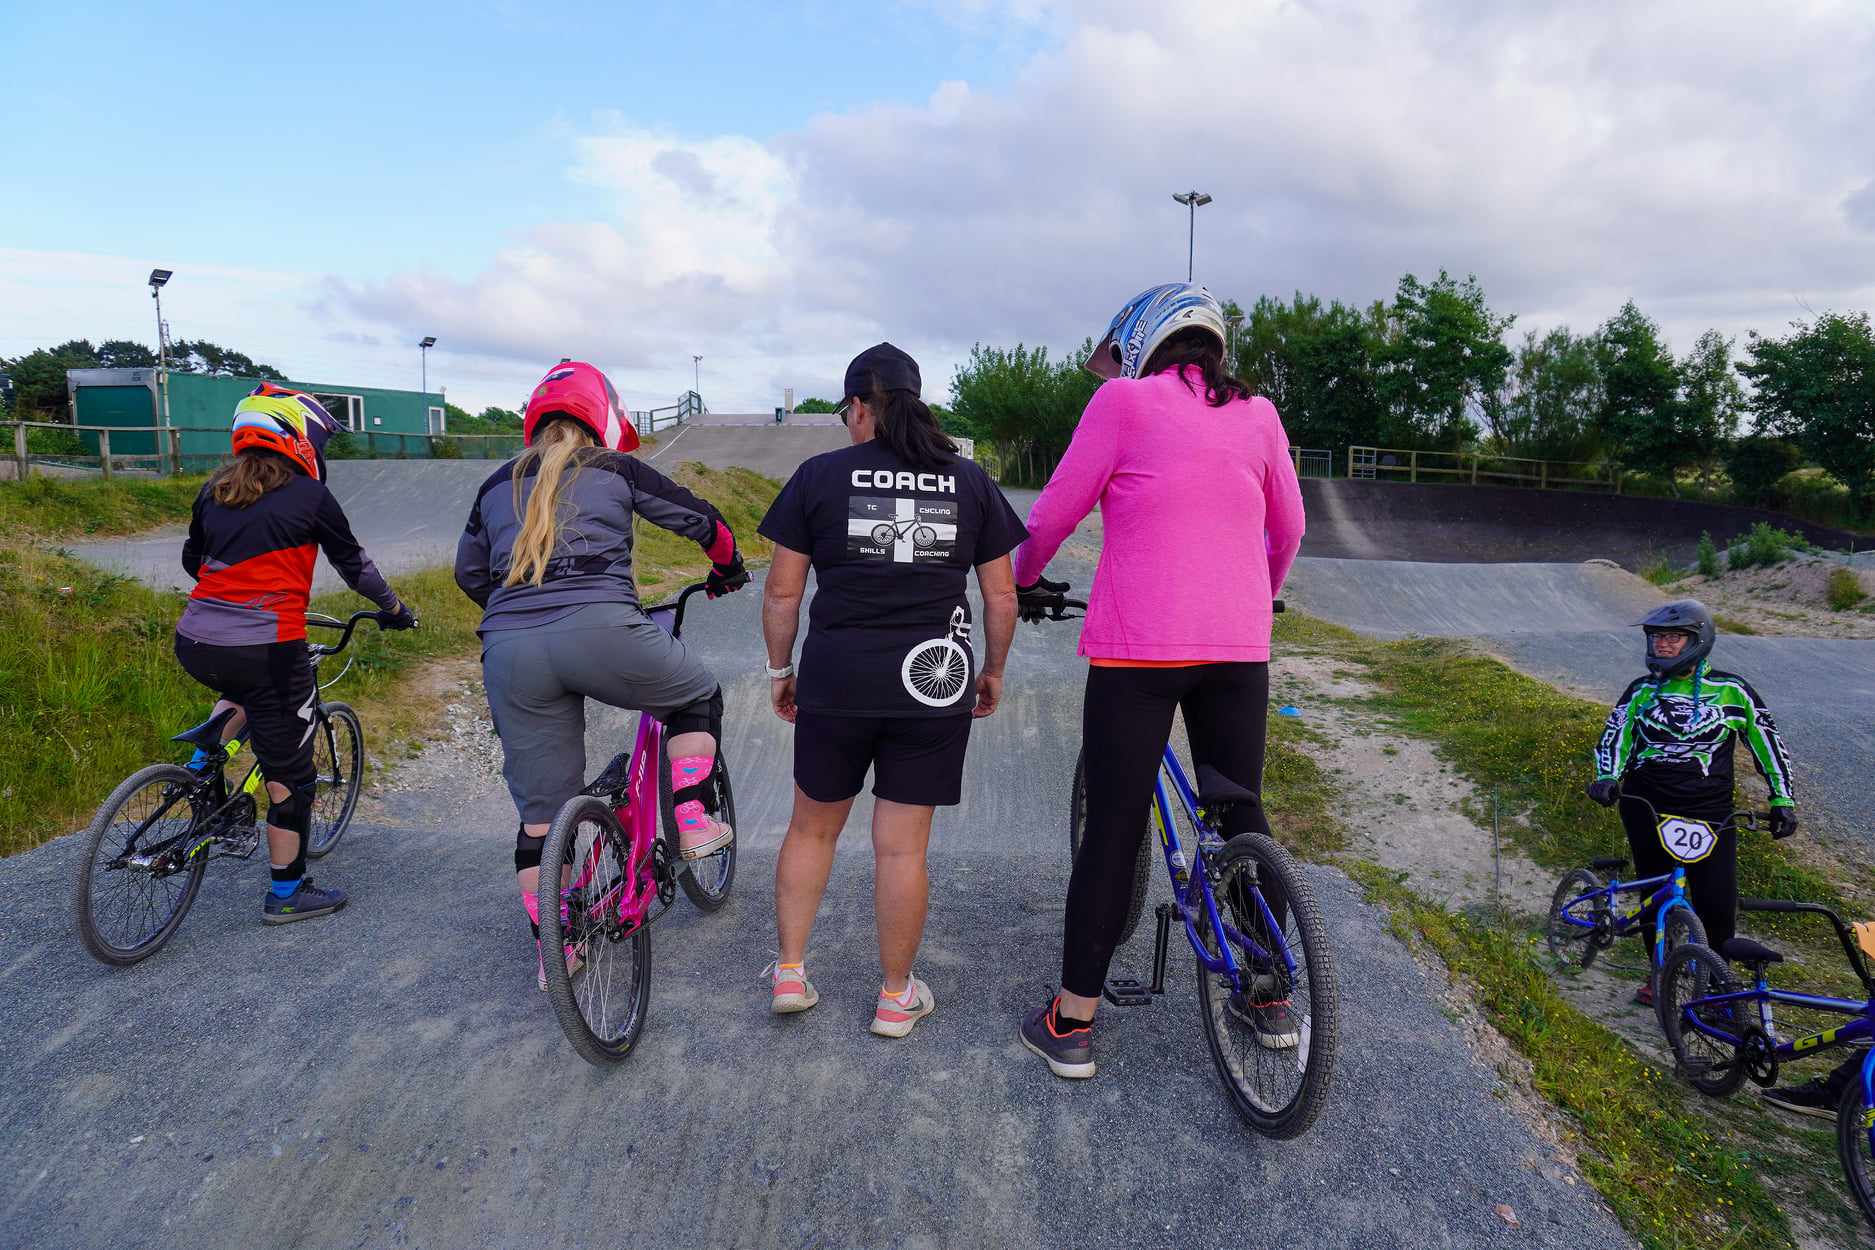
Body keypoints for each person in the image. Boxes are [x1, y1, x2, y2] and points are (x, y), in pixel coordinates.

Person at [1009, 283, 1306, 1079]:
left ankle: (1071, 1022)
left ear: (1141, 341)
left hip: (1139, 651)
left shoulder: (1121, 403)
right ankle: (1269, 992)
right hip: (1239, 647)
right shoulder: (1260, 414)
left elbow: (1051, 516)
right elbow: (1290, 527)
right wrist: (1257, 591)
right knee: (1238, 806)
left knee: (1112, 824)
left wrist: (1019, 579)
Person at [455, 360, 748, 991]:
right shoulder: (616, 469)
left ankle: (558, 948)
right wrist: (728, 567)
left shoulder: (493, 486)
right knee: (696, 694)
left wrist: (518, 618)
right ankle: (695, 816)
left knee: (541, 817)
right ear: (603, 420)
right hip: (605, 632)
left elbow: (468, 575)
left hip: (510, 649)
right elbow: (706, 523)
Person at [758, 342, 1024, 1036]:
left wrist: (781, 672)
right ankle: (894, 996)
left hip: (837, 676)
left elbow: (782, 593)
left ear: (856, 408)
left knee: (811, 828)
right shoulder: (968, 481)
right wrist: (991, 670)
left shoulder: (817, 476)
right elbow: (1001, 598)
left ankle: (790, 970)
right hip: (932, 682)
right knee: (901, 847)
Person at [176, 384, 416, 924]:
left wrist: (235, 597)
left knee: (240, 688)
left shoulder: (213, 489)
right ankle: (286, 894)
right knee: (292, 774)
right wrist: (395, 608)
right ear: (299, 436)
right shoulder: (311, 497)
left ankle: (201, 767)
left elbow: (195, 559)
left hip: (195, 641)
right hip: (268, 648)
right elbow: (355, 567)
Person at [1588, 599, 1798, 1007]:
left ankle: (1718, 989)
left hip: (1711, 811)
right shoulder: (1642, 691)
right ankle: (1660, 975)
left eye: (1673, 637)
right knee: (1657, 894)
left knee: (1717, 902)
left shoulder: (1732, 690)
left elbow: (1768, 744)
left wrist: (1782, 798)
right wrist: (1607, 778)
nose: (1663, 645)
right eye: (1657, 637)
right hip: (1646, 805)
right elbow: (1616, 736)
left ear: (1697, 641)